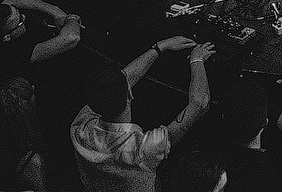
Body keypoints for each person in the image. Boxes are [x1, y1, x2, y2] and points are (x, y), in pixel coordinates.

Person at [71, 36, 215, 192]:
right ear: (130, 94)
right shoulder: (143, 148)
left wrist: (160, 47)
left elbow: (119, 82)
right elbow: (200, 104)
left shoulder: (80, 125)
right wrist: (197, 59)